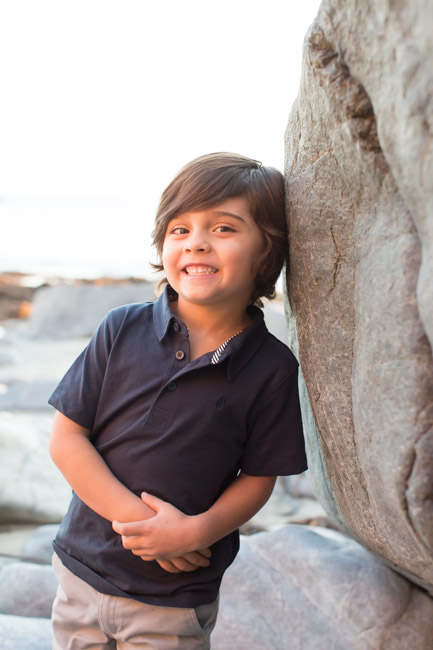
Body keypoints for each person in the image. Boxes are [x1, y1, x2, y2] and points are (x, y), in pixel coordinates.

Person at [48, 152, 308, 650]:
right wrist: (144, 524)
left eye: (224, 228)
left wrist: (195, 532)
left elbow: (258, 478)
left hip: (173, 597)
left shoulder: (271, 368)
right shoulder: (121, 328)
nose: (197, 242)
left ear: (267, 251)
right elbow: (66, 438)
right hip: (82, 567)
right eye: (180, 229)